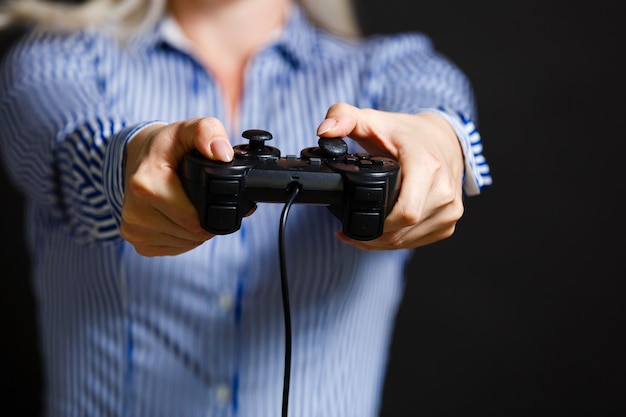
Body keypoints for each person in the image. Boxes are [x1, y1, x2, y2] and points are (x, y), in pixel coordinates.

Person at [0, 0, 492, 416]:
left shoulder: (392, 68)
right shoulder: (54, 61)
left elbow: (439, 106)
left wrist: (437, 141)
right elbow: (71, 143)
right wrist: (132, 159)